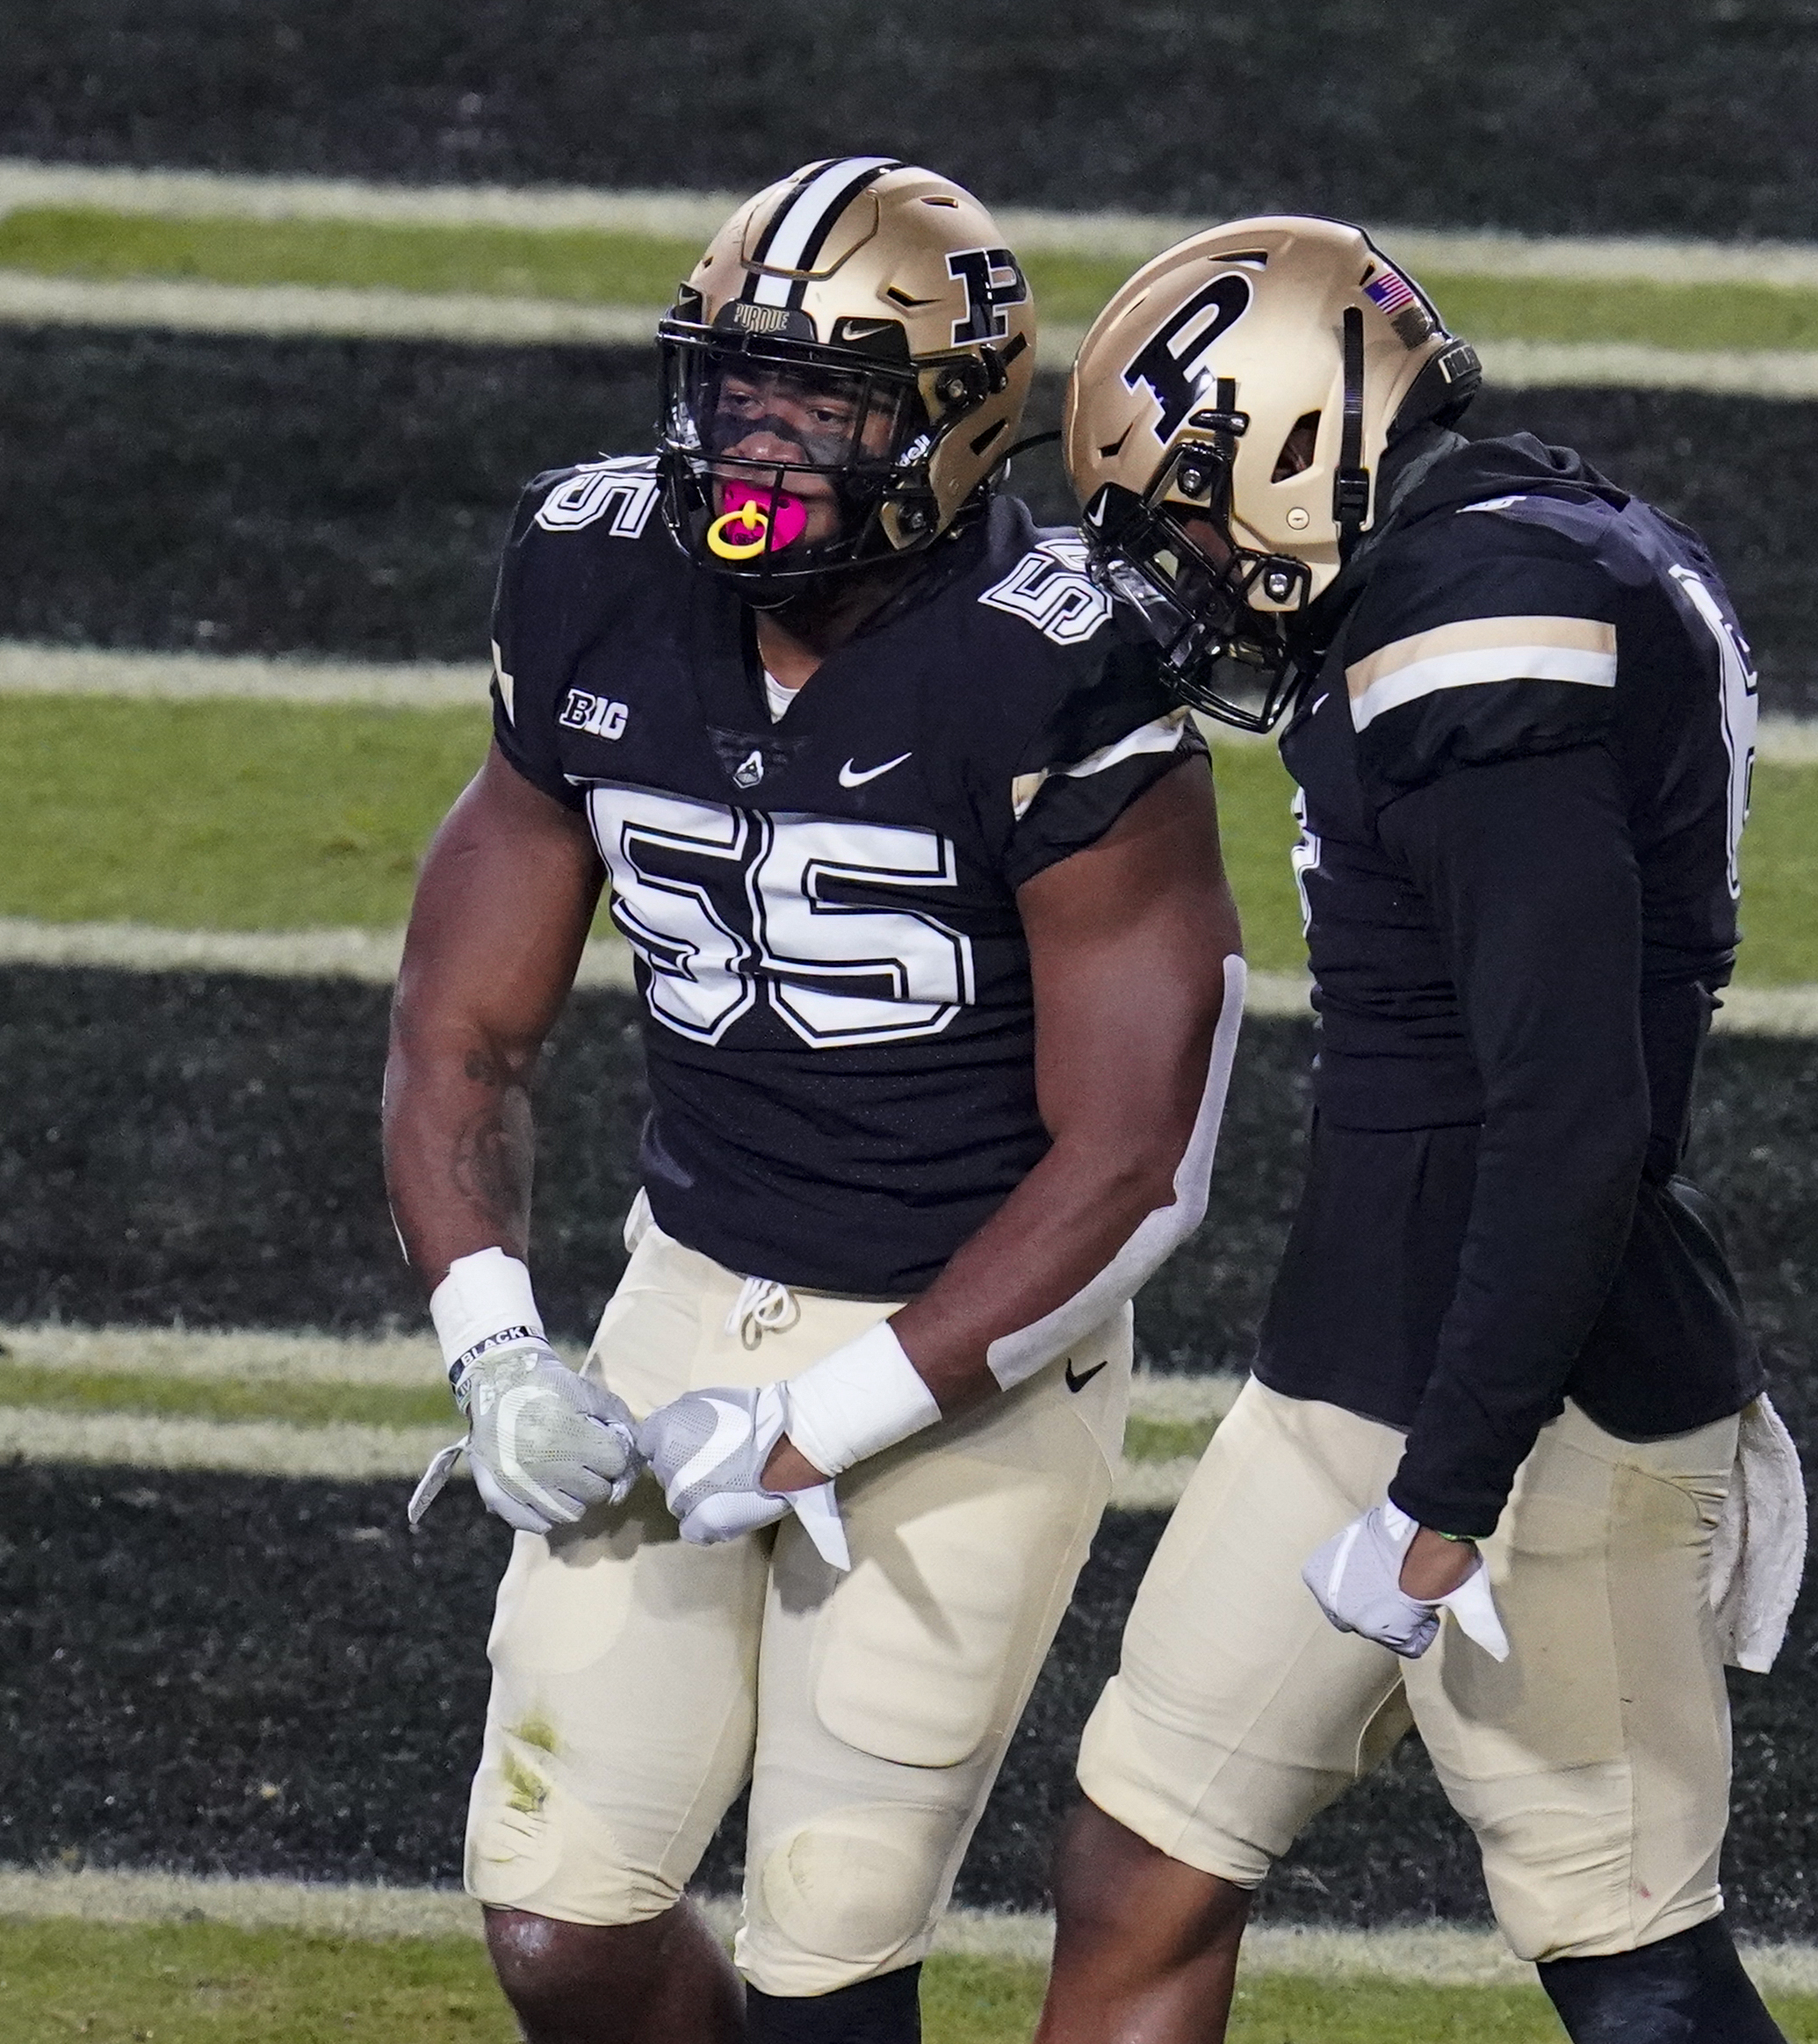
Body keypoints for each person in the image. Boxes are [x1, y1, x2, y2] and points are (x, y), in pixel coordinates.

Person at [381, 156, 1247, 2044]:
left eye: (824, 400)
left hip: (974, 1348)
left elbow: (1136, 1160)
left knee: (828, 1955)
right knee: (560, 1920)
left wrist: (824, 1424)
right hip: (694, 1287)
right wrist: (497, 1349)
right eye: (735, 388)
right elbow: (462, 1028)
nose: (760, 439)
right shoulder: (594, 568)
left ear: (953, 426)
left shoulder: (1056, 661)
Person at [1034, 216, 1809, 2044]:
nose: (1191, 574)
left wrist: (1447, 1491)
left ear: (1300, 440)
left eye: (1193, 511)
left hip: (1541, 1396)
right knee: (1147, 1846)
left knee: (1629, 1951)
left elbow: (1571, 1115)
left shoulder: (1481, 628)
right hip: (1363, 1364)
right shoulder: (1500, 545)